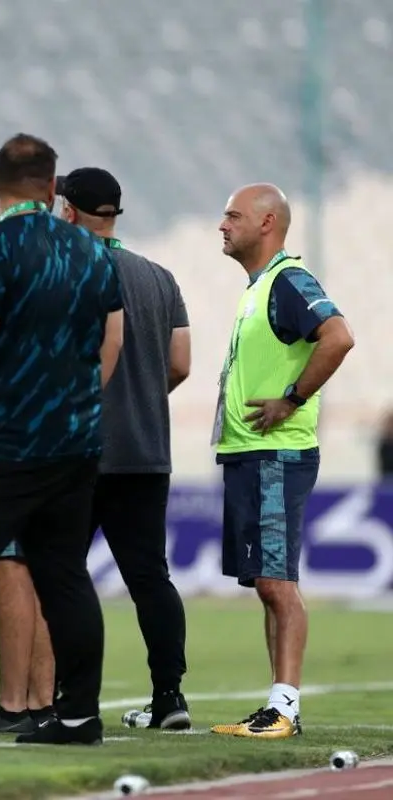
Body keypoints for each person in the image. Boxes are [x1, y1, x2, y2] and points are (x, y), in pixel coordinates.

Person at [0, 133, 124, 746]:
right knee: (65, 576)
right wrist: (77, 403)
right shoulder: (92, 251)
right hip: (76, 443)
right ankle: (79, 714)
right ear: (51, 189)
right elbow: (110, 341)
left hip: (4, 442)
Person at [209, 183, 354, 739]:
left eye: (233, 215)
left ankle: (286, 708)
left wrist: (291, 398)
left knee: (277, 582)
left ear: (267, 222)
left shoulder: (289, 281)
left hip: (275, 453)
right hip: (250, 454)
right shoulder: (259, 287)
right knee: (267, 585)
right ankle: (277, 704)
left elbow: (337, 337)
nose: (223, 225)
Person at [56, 166, 194, 730]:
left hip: (77, 450)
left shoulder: (65, 271)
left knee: (63, 575)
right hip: (145, 449)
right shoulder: (159, 277)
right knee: (150, 577)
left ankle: (69, 701)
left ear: (68, 211)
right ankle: (170, 697)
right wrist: (140, 397)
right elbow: (180, 363)